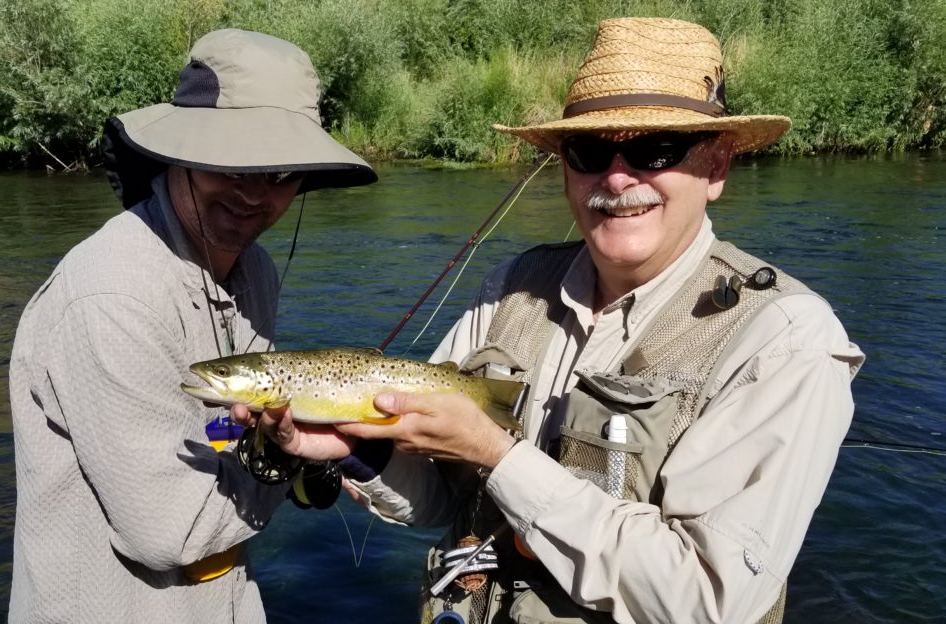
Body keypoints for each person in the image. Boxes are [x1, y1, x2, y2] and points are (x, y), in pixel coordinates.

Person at [237, 17, 865, 624]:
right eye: (589, 149)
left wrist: (497, 453)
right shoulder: (511, 288)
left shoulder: (786, 341)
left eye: (656, 148)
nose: (617, 177)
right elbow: (441, 499)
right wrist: (357, 451)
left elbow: (706, 599)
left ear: (718, 166)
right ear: (565, 165)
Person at [7, 29, 375, 623]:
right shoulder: (111, 295)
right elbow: (172, 531)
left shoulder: (252, 270)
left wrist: (304, 450)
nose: (252, 194)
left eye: (279, 173)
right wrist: (291, 460)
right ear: (181, 153)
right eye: (231, 163)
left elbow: (232, 432)